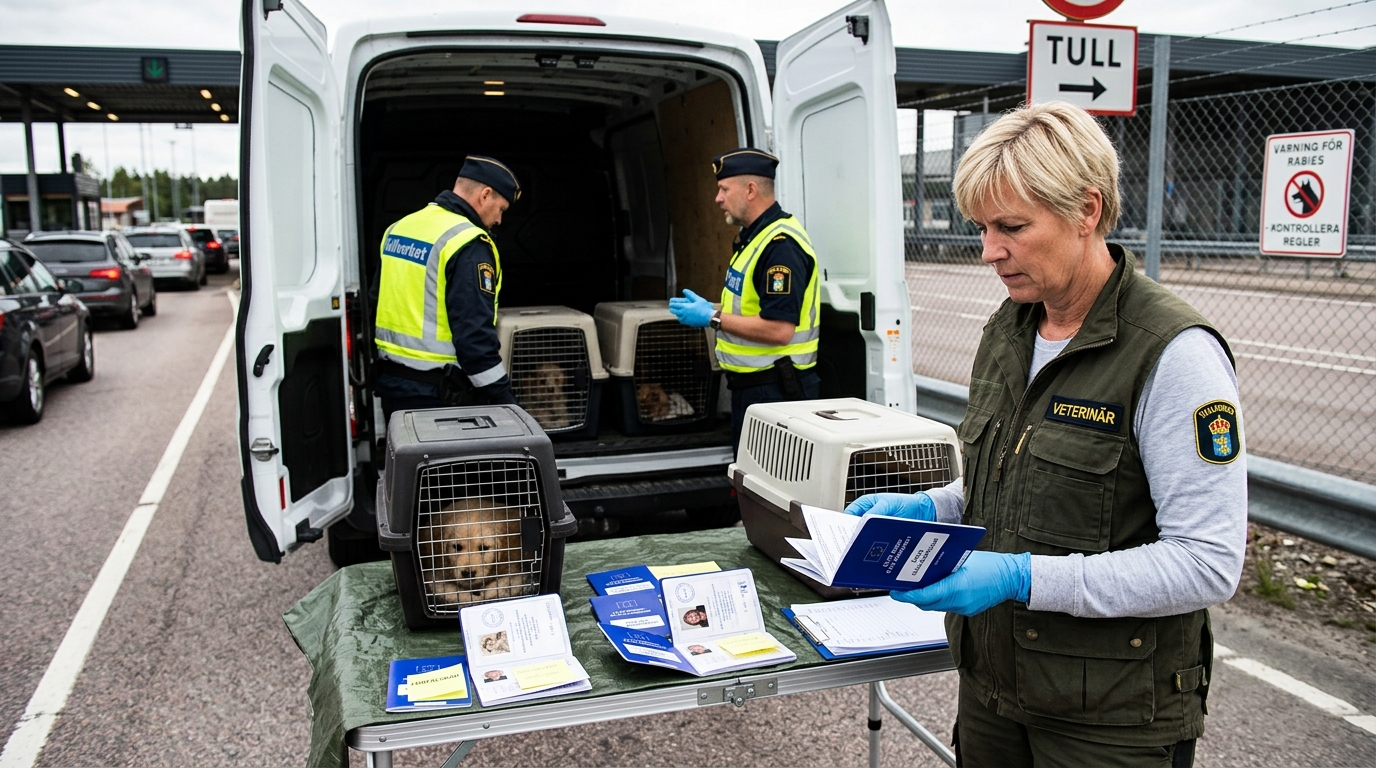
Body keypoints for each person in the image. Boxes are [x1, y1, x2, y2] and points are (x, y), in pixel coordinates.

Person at [846, 102, 1246, 768]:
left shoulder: (1173, 355)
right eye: (981, 227)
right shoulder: (1011, 329)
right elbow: (1014, 477)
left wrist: (1021, 577)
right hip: (996, 693)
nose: (988, 251)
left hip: (1108, 724)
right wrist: (935, 506)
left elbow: (1207, 563)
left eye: (1012, 227)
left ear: (1086, 210)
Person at [668, 148, 821, 453]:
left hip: (777, 392)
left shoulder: (781, 246)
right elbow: (752, 308)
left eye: (724, 189)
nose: (718, 198)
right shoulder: (754, 237)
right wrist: (712, 308)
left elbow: (779, 330)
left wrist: (712, 318)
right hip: (757, 390)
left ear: (750, 190)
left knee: (770, 492)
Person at [373, 155, 521, 424]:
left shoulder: (399, 229)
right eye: (501, 209)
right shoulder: (467, 244)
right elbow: (474, 338)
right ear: (485, 195)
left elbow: (375, 303)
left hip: (393, 391)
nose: (499, 220)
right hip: (441, 400)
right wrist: (508, 407)